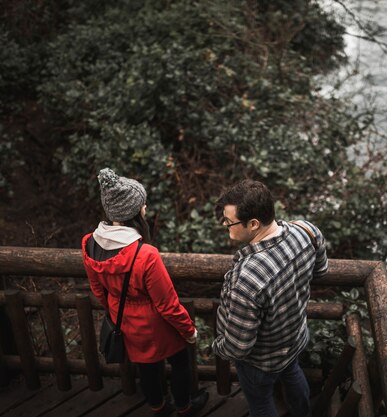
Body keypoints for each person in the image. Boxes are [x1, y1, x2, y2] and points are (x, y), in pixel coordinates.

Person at [82, 168, 208, 417]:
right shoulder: (145, 254)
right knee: (180, 363)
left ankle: (158, 407)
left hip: (125, 321)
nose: (146, 207)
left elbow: (98, 289)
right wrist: (188, 329)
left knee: (146, 367)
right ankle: (184, 408)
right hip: (156, 324)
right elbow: (167, 304)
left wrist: (119, 310)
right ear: (132, 212)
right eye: (142, 204)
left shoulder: (89, 243)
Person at [212, 179, 329, 417]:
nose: (225, 224)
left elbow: (238, 346)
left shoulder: (248, 278)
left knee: (261, 403)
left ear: (253, 224)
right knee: (292, 372)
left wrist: (218, 347)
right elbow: (321, 271)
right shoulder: (307, 230)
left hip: (261, 361)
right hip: (295, 337)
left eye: (229, 221)